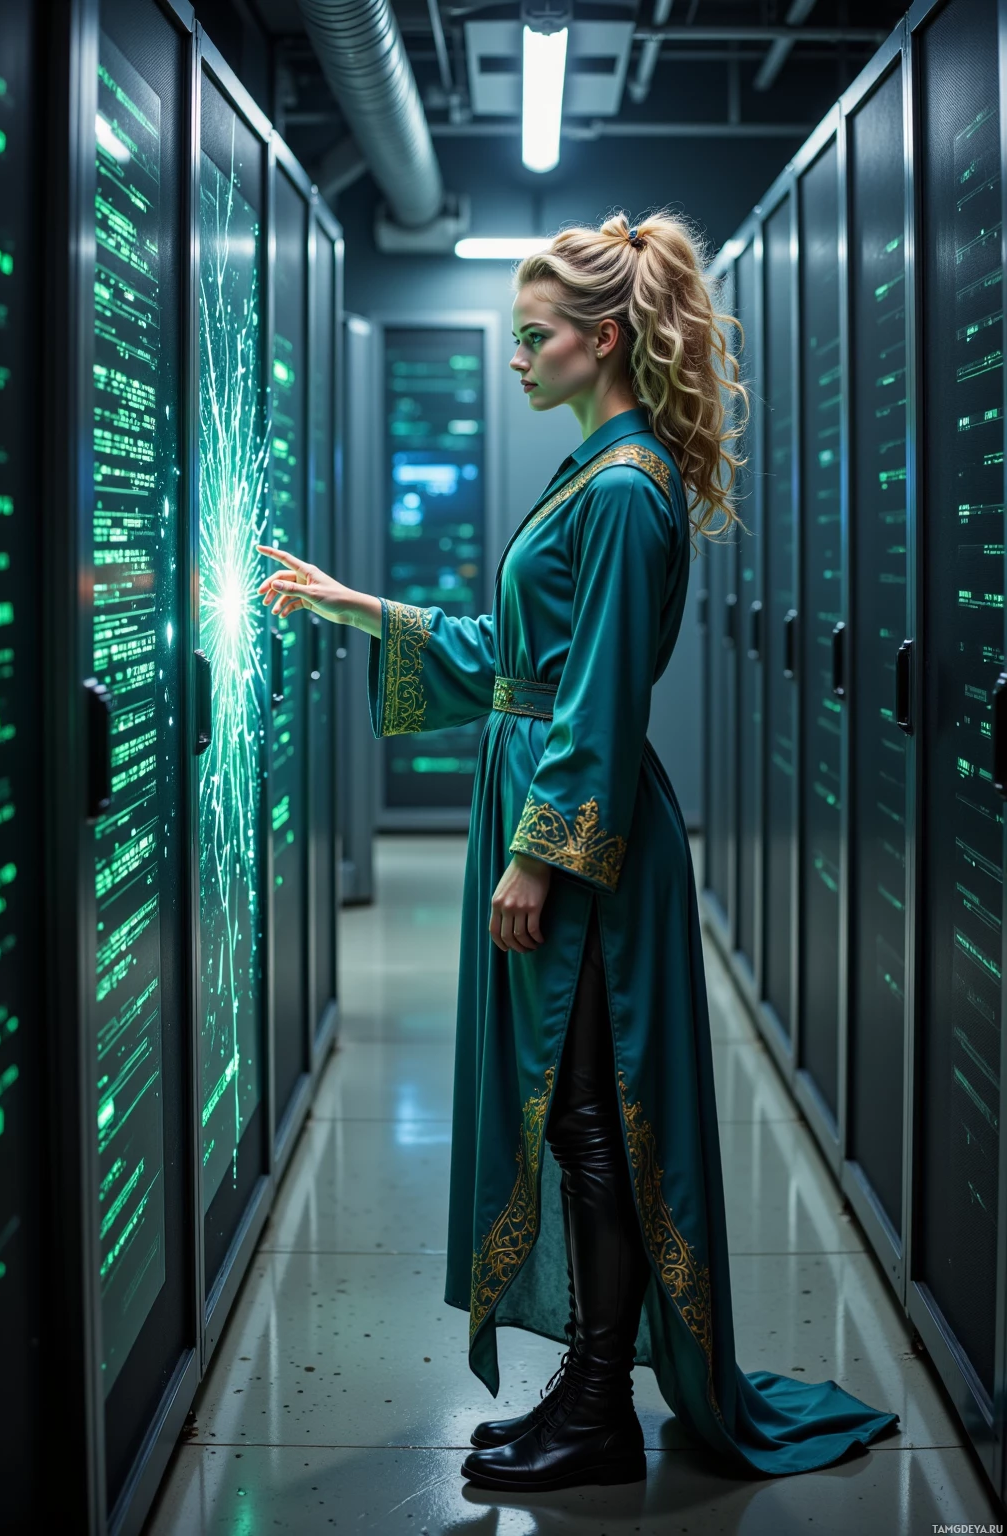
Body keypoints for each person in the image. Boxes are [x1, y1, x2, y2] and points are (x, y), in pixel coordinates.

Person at [257, 211, 899, 1494]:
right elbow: (511, 648)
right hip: (556, 806)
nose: (515, 356)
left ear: (598, 338)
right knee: (576, 1118)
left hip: (582, 843)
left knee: (591, 1118)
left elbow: (596, 698)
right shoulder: (599, 472)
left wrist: (538, 859)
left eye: (532, 335)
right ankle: (590, 1384)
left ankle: (600, 1409)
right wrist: (355, 605)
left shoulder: (617, 489)